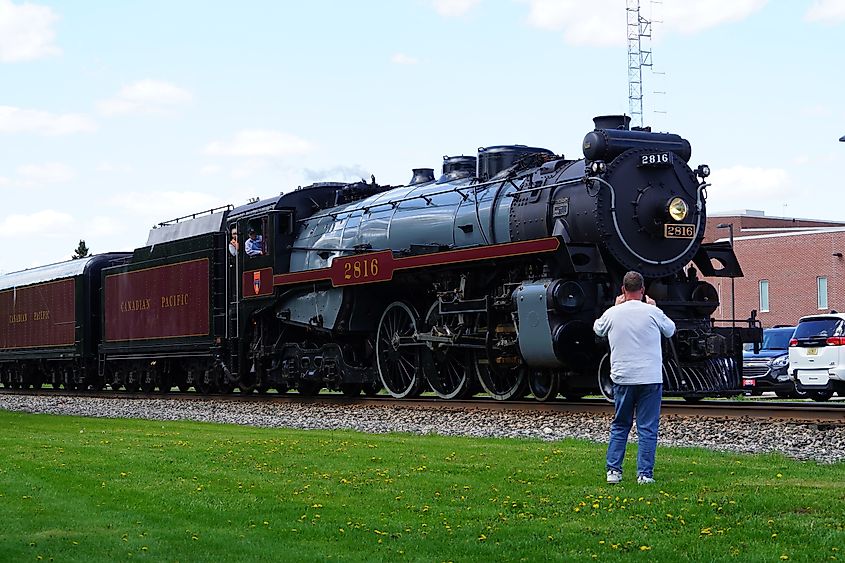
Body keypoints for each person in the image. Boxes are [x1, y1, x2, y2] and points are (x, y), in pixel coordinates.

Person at [593, 271, 676, 485]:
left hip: (623, 378)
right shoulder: (652, 312)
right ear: (643, 290)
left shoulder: (613, 312)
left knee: (621, 424)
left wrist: (614, 306)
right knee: (647, 427)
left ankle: (614, 471)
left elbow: (598, 328)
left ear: (623, 290)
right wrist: (655, 308)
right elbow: (670, 330)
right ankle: (644, 474)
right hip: (650, 377)